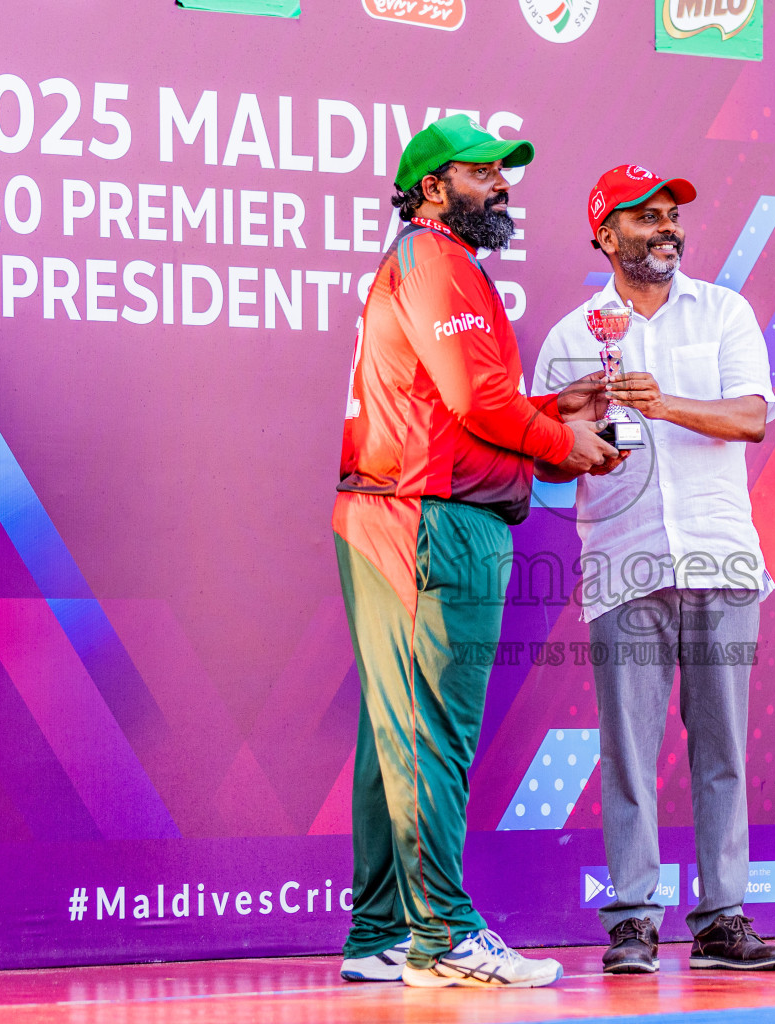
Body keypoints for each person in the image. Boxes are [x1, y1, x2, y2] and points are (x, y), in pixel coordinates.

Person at [333, 115, 616, 989]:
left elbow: (467, 400)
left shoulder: (431, 265)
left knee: (397, 734)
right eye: (482, 172)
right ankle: (442, 936)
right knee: (431, 733)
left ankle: (380, 931)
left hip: (403, 508)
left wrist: (553, 406)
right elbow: (477, 399)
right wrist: (564, 443)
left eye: (505, 172)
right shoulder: (436, 259)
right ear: (431, 189)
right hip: (428, 518)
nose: (503, 185)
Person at [533, 165, 775, 974]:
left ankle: (721, 919)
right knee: (628, 750)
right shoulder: (573, 334)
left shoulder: (723, 311)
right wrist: (584, 433)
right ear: (605, 236)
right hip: (623, 561)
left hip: (720, 555)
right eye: (646, 218)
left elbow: (750, 417)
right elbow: (542, 463)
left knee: (722, 748)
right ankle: (634, 921)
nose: (667, 229)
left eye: (672, 216)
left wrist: (659, 403)